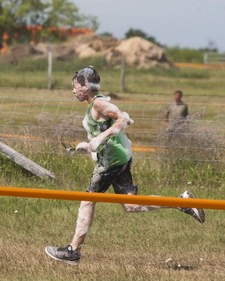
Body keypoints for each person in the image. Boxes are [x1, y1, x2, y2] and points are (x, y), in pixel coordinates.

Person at [45, 66, 205, 265]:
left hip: (111, 162)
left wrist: (101, 137)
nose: (73, 91)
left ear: (86, 86)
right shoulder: (95, 104)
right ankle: (183, 202)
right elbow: (104, 134)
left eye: (76, 86)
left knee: (86, 200)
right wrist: (89, 145)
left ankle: (73, 251)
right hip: (117, 158)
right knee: (131, 205)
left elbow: (125, 119)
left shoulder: (99, 103)